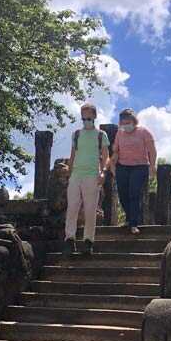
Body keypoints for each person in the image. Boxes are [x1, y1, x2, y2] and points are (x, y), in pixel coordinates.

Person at [64, 103, 110, 255]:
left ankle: (88, 241)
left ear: (94, 117)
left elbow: (106, 156)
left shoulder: (101, 135)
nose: (86, 121)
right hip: (76, 175)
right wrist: (69, 173)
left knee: (90, 210)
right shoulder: (76, 134)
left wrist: (103, 172)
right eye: (83, 119)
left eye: (89, 118)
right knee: (72, 208)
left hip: (92, 175)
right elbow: (72, 155)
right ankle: (69, 239)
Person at [109, 108, 157, 234]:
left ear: (134, 121)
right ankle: (130, 218)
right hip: (122, 167)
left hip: (139, 167)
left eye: (128, 122)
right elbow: (116, 151)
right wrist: (112, 165)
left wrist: (152, 166)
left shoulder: (144, 132)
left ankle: (134, 224)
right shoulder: (119, 133)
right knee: (122, 195)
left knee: (134, 193)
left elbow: (152, 150)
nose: (126, 125)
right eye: (123, 123)